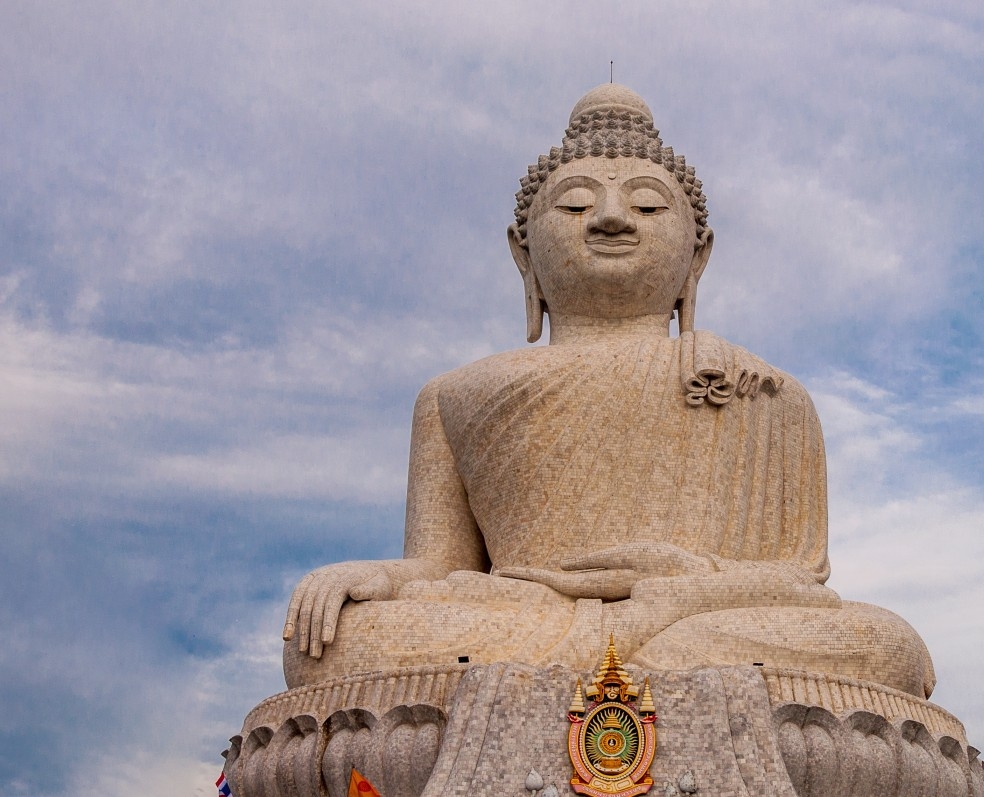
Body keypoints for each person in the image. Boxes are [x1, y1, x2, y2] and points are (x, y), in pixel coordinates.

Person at [282, 84, 935, 698]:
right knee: (326, 645)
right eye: (575, 203)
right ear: (524, 254)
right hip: (527, 616)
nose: (613, 218)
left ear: (697, 256)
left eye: (649, 204)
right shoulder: (454, 395)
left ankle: (573, 675)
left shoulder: (760, 391)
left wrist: (682, 588)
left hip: (690, 622)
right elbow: (442, 565)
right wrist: (375, 579)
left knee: (886, 645)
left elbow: (798, 584)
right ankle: (633, 668)